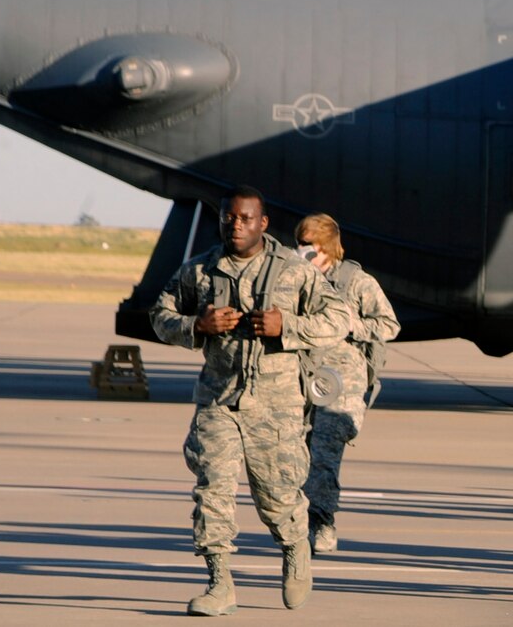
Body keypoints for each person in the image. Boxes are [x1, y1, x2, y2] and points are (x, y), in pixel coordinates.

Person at [151, 186, 352, 615]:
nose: (235, 225)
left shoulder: (294, 273)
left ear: (263, 223)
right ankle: (219, 583)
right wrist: (197, 326)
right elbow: (159, 316)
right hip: (218, 401)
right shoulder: (200, 271)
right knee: (212, 491)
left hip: (276, 405)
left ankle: (295, 547)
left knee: (276, 498)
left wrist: (288, 325)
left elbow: (339, 318)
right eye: (229, 218)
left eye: (245, 219)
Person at [293, 213, 401, 554]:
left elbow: (389, 325)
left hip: (340, 386)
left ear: (326, 247)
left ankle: (321, 522)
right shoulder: (296, 279)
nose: (302, 252)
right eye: (299, 245)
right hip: (300, 381)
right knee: (294, 456)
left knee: (324, 456)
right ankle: (295, 519)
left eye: (308, 246)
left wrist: (351, 325)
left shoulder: (355, 281)